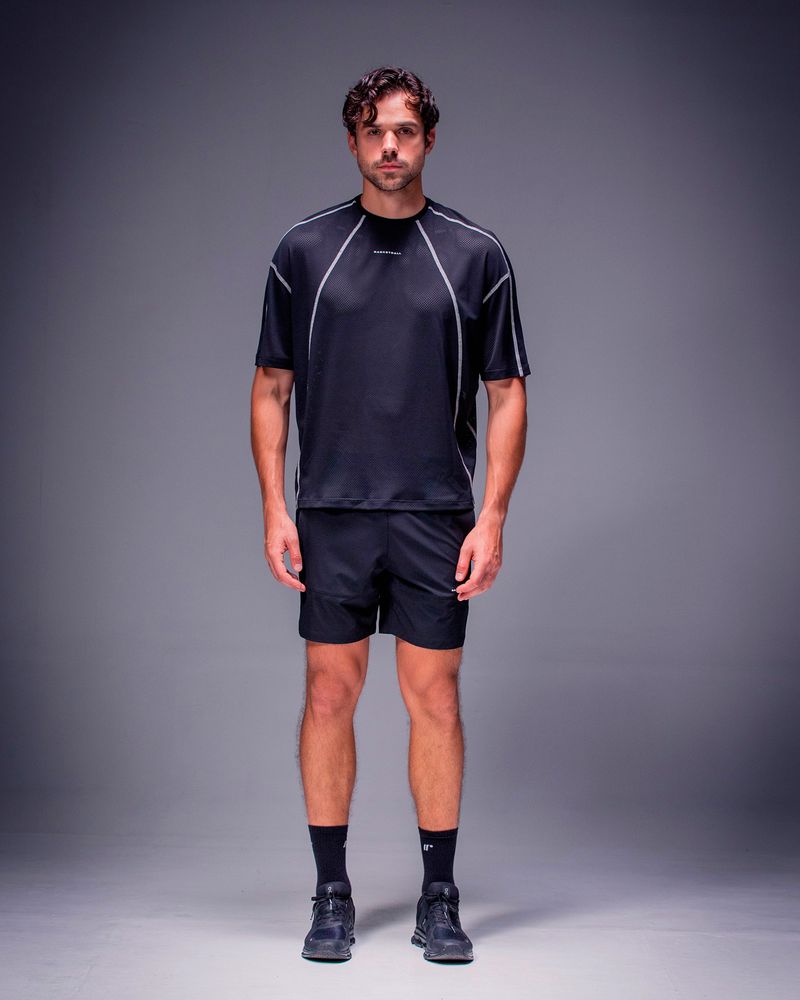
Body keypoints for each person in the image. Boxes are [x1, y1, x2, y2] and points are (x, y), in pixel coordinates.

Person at [250, 66, 530, 963]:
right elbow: (271, 386)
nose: (390, 146)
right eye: (374, 130)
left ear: (429, 140)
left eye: (405, 130)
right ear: (352, 141)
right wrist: (274, 508)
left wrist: (492, 517)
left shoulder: (474, 255)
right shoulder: (305, 252)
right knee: (328, 694)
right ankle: (331, 894)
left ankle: (438, 898)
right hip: (331, 512)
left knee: (434, 699)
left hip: (434, 515)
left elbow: (507, 392)